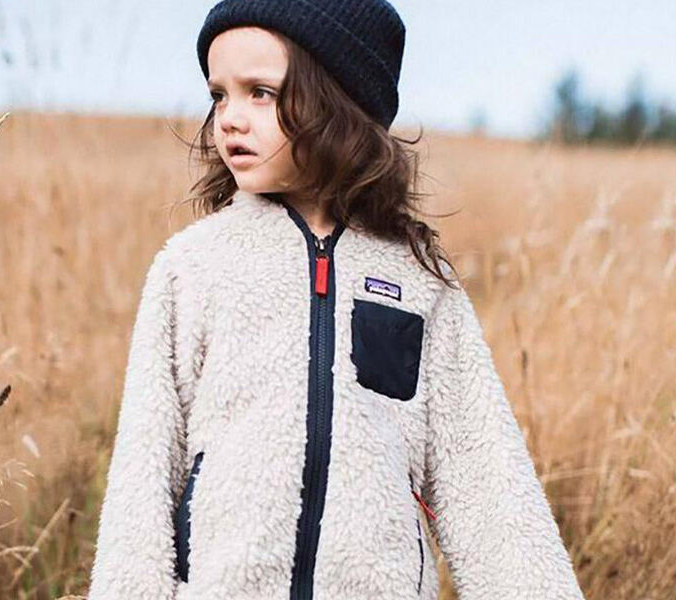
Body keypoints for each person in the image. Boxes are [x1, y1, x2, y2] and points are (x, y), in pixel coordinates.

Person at [87, 1, 586, 599]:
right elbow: (142, 479)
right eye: (219, 94)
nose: (229, 119)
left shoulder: (418, 280)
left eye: (261, 93)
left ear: (340, 103)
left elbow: (486, 482)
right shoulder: (192, 269)